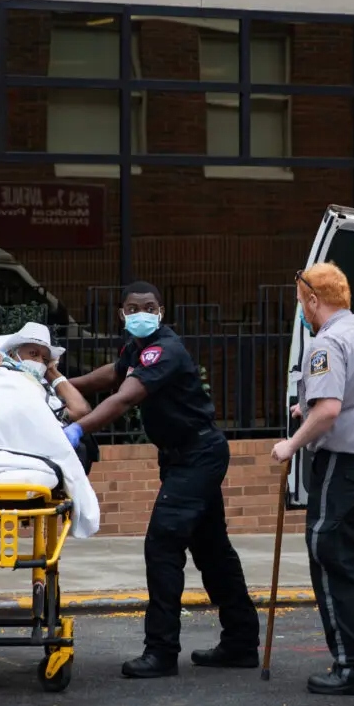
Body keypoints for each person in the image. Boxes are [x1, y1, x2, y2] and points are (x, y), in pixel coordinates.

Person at [66, 281, 260, 679]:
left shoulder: (163, 349)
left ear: (161, 311)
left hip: (198, 456)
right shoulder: (135, 348)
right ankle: (241, 643)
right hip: (183, 458)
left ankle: (161, 651)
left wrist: (76, 432)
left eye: (149, 307)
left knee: (163, 543)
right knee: (211, 549)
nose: (141, 313)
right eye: (133, 307)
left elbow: (125, 396)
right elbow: (113, 375)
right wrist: (66, 384)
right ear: (122, 314)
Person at [270, 262, 354, 697]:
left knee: (332, 555)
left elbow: (329, 411)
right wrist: (306, 409)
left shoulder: (325, 343)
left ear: (313, 299)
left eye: (300, 302)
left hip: (346, 468)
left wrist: (291, 444)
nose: (300, 311)